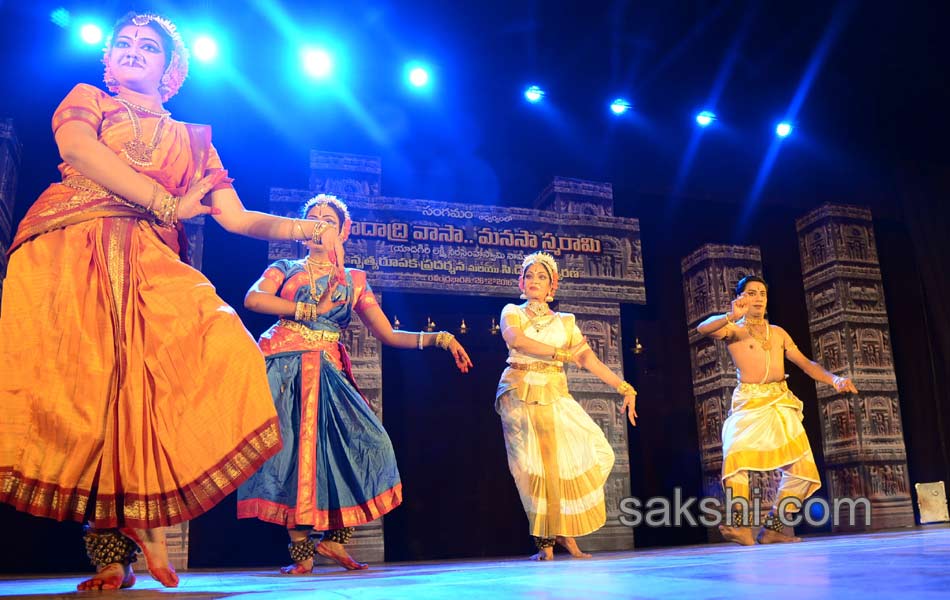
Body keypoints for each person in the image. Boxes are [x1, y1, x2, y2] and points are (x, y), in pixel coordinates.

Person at [0, 12, 345, 591]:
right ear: (107, 62)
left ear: (171, 69)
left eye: (148, 45)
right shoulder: (88, 100)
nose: (133, 50)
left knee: (208, 353)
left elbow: (234, 216)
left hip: (149, 258)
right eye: (123, 44)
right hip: (71, 247)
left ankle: (150, 521)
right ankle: (111, 554)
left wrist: (304, 230)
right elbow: (81, 152)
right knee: (90, 394)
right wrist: (164, 201)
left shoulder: (193, 141)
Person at [237, 194, 474, 574]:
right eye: (311, 219)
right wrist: (304, 309)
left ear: (344, 230)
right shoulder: (284, 267)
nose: (318, 226)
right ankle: (301, 555)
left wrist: (440, 338)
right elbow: (254, 299)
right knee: (294, 457)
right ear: (301, 231)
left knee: (368, 445)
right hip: (284, 367)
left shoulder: (354, 280)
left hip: (329, 370)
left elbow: (388, 334)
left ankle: (333, 540)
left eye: (327, 220)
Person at [495, 251, 638, 561]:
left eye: (541, 277)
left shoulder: (566, 322)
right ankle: (544, 542)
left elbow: (588, 358)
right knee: (530, 468)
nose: (534, 281)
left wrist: (623, 386)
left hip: (555, 391)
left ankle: (564, 532)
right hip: (519, 390)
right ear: (521, 282)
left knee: (586, 456)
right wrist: (558, 354)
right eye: (529, 276)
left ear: (552, 287)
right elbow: (517, 341)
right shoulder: (512, 312)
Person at [697, 275, 858, 545]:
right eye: (751, 293)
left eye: (762, 293)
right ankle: (739, 526)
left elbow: (806, 364)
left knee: (802, 468)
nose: (758, 298)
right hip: (749, 401)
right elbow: (703, 329)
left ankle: (774, 528)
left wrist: (835, 379)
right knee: (737, 459)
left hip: (780, 401)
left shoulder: (779, 333)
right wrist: (730, 315)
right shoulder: (734, 329)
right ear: (740, 297)